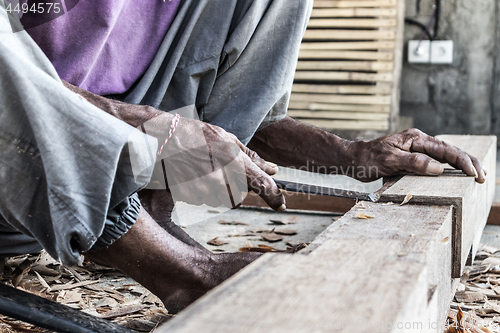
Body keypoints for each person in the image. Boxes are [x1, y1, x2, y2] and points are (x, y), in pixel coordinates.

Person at [0, 0, 486, 313]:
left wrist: (353, 156)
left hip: (106, 166)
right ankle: (180, 273)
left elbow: (234, 115)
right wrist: (150, 127)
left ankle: (145, 212)